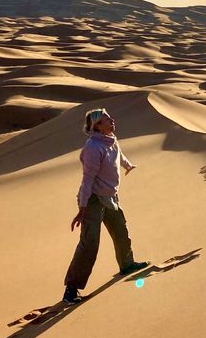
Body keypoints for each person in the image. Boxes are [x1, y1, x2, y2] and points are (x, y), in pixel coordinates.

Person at [63, 107, 148, 304]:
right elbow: (87, 180)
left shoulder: (111, 140)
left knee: (120, 230)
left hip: (110, 196)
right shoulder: (93, 147)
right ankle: (71, 290)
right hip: (93, 199)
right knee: (89, 244)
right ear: (97, 126)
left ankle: (127, 265)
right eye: (106, 119)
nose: (112, 121)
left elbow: (119, 155)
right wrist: (82, 208)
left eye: (110, 117)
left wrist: (128, 165)